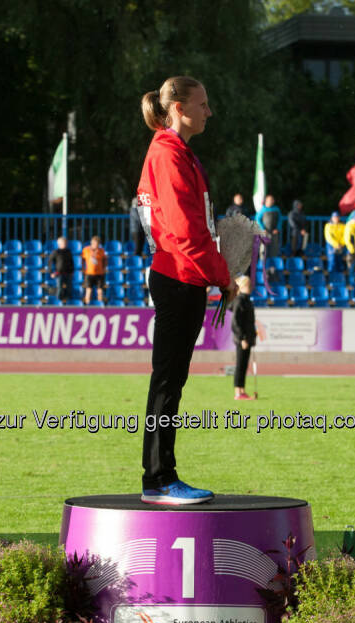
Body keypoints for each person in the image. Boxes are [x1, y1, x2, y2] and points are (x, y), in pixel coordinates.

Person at [137, 76, 237, 505]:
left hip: (184, 275)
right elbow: (185, 230)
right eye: (203, 103)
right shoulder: (168, 152)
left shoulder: (176, 152)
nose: (209, 111)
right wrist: (223, 275)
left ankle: (162, 477)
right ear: (178, 107)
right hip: (180, 275)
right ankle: (159, 480)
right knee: (167, 383)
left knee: (171, 382)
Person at [231, 275, 257, 400]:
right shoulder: (239, 300)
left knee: (244, 365)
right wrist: (242, 338)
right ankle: (238, 392)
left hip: (248, 337)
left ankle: (242, 390)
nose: (250, 287)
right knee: (240, 365)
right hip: (242, 339)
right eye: (247, 285)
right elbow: (235, 322)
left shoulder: (247, 300)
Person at [256, 194, 282, 260]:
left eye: (272, 200)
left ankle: (273, 265)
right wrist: (263, 229)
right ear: (266, 201)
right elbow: (258, 219)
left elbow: (280, 219)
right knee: (263, 249)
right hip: (265, 232)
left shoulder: (277, 209)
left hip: (274, 232)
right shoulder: (263, 209)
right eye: (270, 200)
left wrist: (277, 228)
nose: (271, 201)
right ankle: (263, 264)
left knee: (274, 248)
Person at [82, 235, 106, 304]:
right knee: (88, 290)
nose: (95, 245)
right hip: (89, 273)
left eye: (97, 244)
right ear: (91, 243)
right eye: (94, 243)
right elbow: (82, 260)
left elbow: (105, 260)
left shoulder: (101, 251)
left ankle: (100, 305)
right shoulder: (86, 250)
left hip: (99, 274)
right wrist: (83, 269)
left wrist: (103, 269)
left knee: (100, 291)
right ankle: (87, 305)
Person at [48, 235, 74, 302]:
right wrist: (51, 272)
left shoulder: (68, 252)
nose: (65, 244)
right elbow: (50, 262)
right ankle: (58, 302)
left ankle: (69, 302)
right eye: (63, 243)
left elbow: (71, 262)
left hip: (68, 273)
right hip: (59, 273)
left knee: (69, 288)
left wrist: (72, 271)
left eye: (65, 243)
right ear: (59, 244)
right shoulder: (56, 252)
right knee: (60, 288)